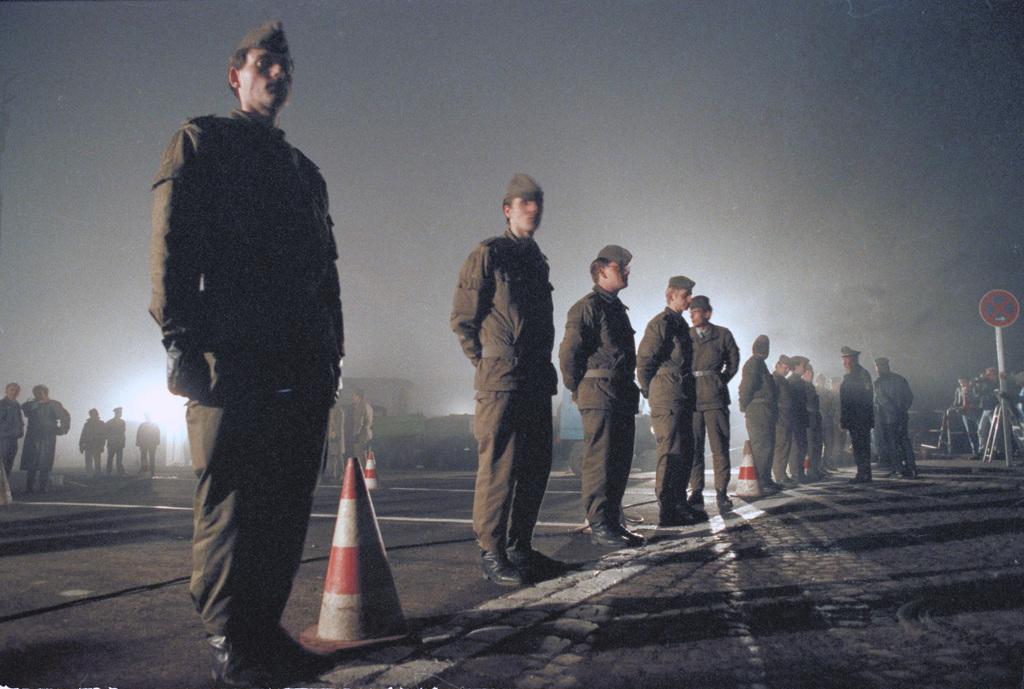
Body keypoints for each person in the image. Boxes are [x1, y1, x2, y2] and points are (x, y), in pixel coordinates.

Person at [149, 21, 343, 685]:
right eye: (264, 63)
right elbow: (170, 250)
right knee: (231, 506)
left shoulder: (304, 172)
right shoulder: (204, 142)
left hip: (299, 366)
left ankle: (262, 629)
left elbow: (326, 278)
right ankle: (231, 640)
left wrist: (332, 359)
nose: (277, 74)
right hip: (232, 359)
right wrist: (180, 344)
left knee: (284, 505)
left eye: (285, 66)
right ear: (236, 75)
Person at [450, 173, 559, 586]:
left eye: (538, 203)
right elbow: (463, 319)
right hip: (501, 379)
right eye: (524, 203)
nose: (533, 209)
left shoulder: (536, 259)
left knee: (535, 467)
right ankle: (492, 552)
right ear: (507, 209)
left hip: (534, 378)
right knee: (499, 468)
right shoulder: (488, 254)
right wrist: (486, 365)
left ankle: (520, 547)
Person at [559, 245, 644, 548]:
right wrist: (575, 388)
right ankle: (599, 524)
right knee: (601, 461)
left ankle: (612, 521)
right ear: (602, 270)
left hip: (620, 392)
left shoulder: (616, 308)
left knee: (620, 460)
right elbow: (569, 353)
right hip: (599, 392)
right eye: (621, 266)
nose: (626, 271)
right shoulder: (587, 307)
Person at [636, 275, 706, 525]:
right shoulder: (661, 323)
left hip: (683, 394)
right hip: (667, 394)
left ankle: (678, 502)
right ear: (671, 295)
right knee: (671, 450)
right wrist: (652, 392)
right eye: (685, 295)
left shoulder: (679, 326)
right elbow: (644, 362)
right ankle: (668, 508)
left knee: (685, 451)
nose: (689, 300)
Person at [686, 295, 740, 511]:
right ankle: (696, 491)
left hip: (716, 400)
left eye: (696, 311)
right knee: (694, 449)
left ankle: (721, 493)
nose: (691, 315)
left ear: (707, 313)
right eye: (690, 311)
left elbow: (733, 362)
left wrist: (718, 380)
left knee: (719, 448)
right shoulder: (687, 335)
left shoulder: (723, 334)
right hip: (693, 400)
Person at [738, 336, 779, 494]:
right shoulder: (754, 364)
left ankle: (766, 479)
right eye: (763, 347)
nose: (764, 350)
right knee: (762, 446)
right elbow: (746, 387)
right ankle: (762, 481)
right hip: (758, 409)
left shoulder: (759, 364)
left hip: (764, 410)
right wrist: (745, 405)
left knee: (767, 445)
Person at [20, 385, 71, 493]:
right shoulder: (31, 405)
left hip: (48, 436)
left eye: (41, 392)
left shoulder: (54, 404)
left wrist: (62, 430)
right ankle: (29, 487)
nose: (39, 394)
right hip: (33, 436)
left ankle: (42, 487)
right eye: (36, 393)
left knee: (45, 462)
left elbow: (64, 417)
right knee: (31, 462)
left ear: (46, 393)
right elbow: (25, 409)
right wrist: (37, 404)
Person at [873, 357, 918, 478]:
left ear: (878, 367)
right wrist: (903, 410)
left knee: (892, 443)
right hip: (903, 415)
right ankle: (911, 467)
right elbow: (910, 397)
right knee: (905, 441)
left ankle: (898, 468)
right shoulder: (900, 379)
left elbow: (883, 401)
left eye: (876, 366)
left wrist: (894, 411)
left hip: (888, 418)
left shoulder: (879, 382)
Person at [840, 346, 874, 482]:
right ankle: (863, 473)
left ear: (852, 360)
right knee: (860, 447)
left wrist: (845, 420)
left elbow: (851, 400)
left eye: (846, 360)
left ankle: (864, 474)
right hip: (860, 418)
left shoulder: (856, 375)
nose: (844, 363)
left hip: (858, 418)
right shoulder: (860, 373)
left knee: (861, 447)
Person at [786, 356, 811, 483]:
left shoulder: (798, 381)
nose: (805, 368)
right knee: (797, 447)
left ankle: (799, 472)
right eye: (803, 365)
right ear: (795, 366)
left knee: (801, 446)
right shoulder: (792, 382)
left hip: (800, 419)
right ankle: (797, 473)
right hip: (795, 419)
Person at [771, 355, 795, 486]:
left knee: (785, 447)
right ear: (777, 365)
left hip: (786, 418)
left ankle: (782, 474)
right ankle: (779, 475)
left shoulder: (783, 381)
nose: (786, 371)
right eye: (785, 368)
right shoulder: (774, 380)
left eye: (788, 369)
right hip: (779, 419)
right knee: (780, 447)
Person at [802, 362, 824, 479]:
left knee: (816, 446)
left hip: (815, 419)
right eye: (807, 372)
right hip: (809, 421)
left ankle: (816, 468)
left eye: (811, 372)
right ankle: (811, 470)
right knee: (810, 447)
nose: (810, 374)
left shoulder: (811, 387)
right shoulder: (804, 386)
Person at [0, 383, 23, 480]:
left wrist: (20, 431)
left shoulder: (16, 404)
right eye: (12, 390)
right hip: (4, 439)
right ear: (6, 391)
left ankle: (4, 489)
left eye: (16, 390)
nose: (14, 392)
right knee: (3, 464)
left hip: (13, 439)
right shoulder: (2, 404)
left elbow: (19, 420)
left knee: (9, 464)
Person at [973, 367, 999, 455]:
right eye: (987, 374)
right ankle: (982, 450)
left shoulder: (996, 382)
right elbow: (977, 394)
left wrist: (984, 380)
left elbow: (993, 390)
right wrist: (977, 384)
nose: (987, 375)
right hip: (985, 409)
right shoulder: (985, 383)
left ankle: (997, 450)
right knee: (981, 430)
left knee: (996, 430)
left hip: (994, 408)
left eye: (989, 374)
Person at [79, 408, 107, 475]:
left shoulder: (101, 424)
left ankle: (96, 475)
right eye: (91, 414)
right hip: (89, 445)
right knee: (89, 462)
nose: (92, 415)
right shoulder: (87, 424)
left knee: (96, 462)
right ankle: (90, 475)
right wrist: (81, 445)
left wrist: (102, 445)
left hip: (96, 445)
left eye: (93, 414)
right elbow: (83, 435)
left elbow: (104, 436)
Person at [350, 390, 373, 464]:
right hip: (368, 433)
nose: (352, 398)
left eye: (354, 396)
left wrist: (356, 434)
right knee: (366, 454)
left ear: (358, 396)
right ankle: (368, 473)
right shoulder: (368, 406)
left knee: (359, 455)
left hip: (361, 435)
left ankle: (361, 473)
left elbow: (359, 422)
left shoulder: (360, 406)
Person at [105, 407, 127, 475]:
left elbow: (123, 433)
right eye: (119, 412)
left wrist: (123, 442)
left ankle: (118, 471)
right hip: (113, 443)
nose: (120, 414)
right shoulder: (110, 422)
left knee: (118, 458)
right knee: (111, 458)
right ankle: (109, 471)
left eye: (121, 412)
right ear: (116, 413)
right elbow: (106, 432)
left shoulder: (121, 422)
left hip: (117, 442)